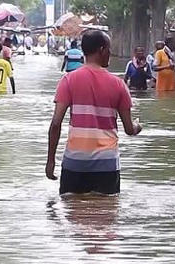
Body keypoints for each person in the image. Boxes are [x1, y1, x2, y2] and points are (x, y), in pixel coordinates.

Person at [46, 30, 143, 195]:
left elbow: (56, 124)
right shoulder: (118, 85)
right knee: (105, 215)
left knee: (73, 215)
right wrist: (137, 127)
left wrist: (50, 161)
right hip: (107, 164)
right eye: (109, 49)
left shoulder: (68, 81)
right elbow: (128, 129)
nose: (110, 53)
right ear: (102, 49)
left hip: (75, 163)